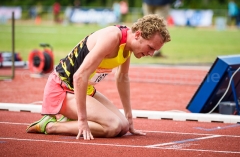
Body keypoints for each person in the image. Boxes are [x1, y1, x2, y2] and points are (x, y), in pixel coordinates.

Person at [26, 14, 171, 140]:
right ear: (138, 35)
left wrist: (130, 119)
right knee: (113, 126)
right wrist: (82, 121)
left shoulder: (128, 45)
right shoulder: (112, 38)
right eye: (150, 48)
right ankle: (51, 126)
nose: (151, 54)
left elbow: (122, 78)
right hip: (62, 89)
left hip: (83, 89)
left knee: (123, 126)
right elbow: (79, 76)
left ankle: (70, 118)